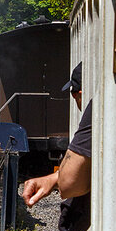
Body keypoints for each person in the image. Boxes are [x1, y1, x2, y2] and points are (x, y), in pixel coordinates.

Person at [22, 63, 88, 206]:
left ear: (80, 95)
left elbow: (68, 184)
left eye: (73, 94)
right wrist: (52, 179)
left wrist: (57, 179)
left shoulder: (94, 113)